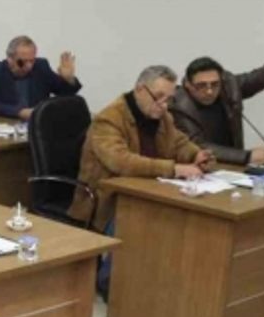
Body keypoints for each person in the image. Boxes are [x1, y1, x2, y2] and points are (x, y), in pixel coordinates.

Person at [70, 65, 212, 233]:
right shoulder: (108, 119)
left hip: (149, 192)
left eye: (169, 99)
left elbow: (178, 143)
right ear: (139, 89)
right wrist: (174, 169)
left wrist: (196, 154)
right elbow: (121, 162)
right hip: (108, 203)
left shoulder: (162, 117)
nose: (164, 105)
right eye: (158, 97)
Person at [170, 8, 264, 165]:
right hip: (200, 167)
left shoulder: (229, 86)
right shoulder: (177, 104)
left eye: (215, 84)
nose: (210, 91)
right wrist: (247, 156)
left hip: (233, 167)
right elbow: (198, 145)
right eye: (201, 86)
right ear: (188, 84)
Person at [0, 35, 82, 120]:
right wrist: (20, 112)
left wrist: (69, 79)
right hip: (10, 123)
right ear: (10, 59)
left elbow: (65, 93)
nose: (29, 66)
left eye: (32, 60)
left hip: (39, 124)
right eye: (22, 62)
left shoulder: (41, 67)